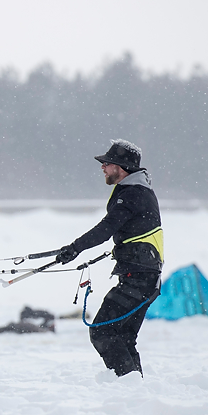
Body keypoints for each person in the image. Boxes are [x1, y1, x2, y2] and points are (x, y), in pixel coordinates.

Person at [54, 140, 163, 377]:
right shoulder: (135, 190)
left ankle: (127, 384)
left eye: (107, 163)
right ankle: (135, 387)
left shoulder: (133, 193)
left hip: (139, 279)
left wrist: (74, 248)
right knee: (123, 336)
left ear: (121, 167)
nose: (102, 167)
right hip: (144, 278)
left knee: (102, 330)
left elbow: (107, 228)